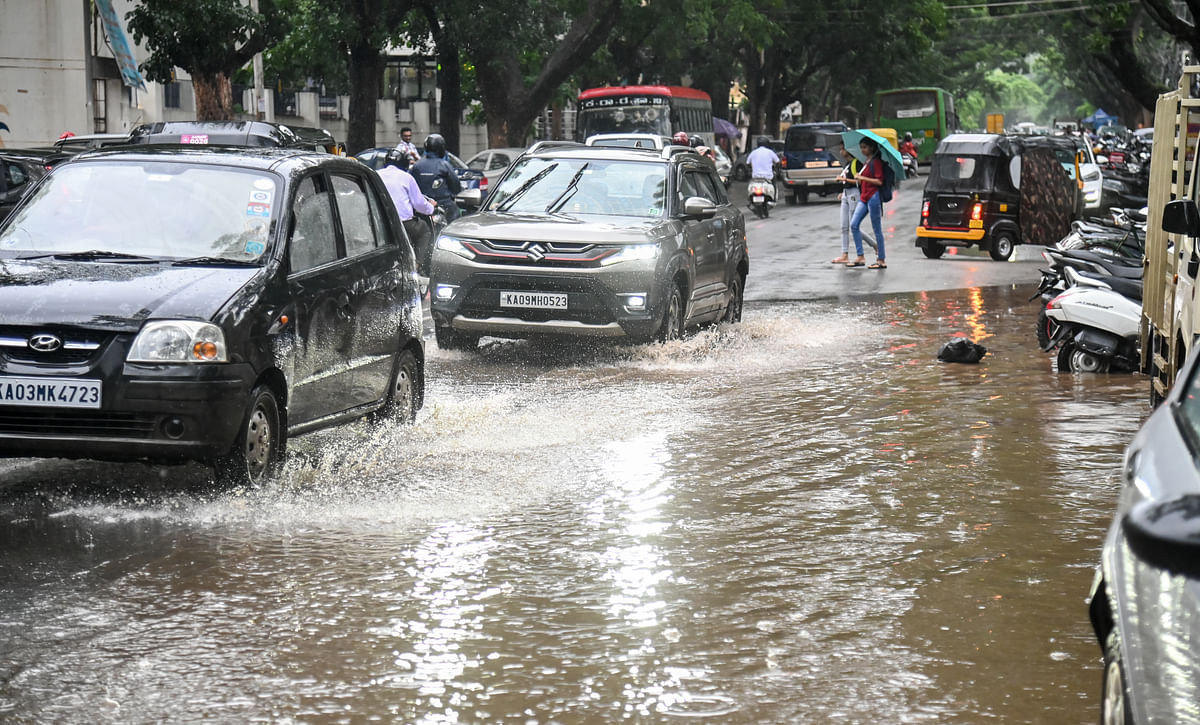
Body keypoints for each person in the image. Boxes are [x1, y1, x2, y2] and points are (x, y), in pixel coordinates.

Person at [378, 149, 437, 275]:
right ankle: (417, 264)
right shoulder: (406, 177)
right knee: (425, 231)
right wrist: (431, 208)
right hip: (404, 224)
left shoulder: (375, 174)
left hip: (379, 223)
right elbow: (419, 204)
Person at [847, 137, 887, 269]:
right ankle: (860, 256)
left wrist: (862, 177)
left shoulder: (875, 162)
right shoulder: (866, 162)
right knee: (854, 224)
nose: (862, 150)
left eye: (865, 147)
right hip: (864, 197)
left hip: (873, 197)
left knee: (877, 229)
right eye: (861, 147)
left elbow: (879, 181)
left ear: (871, 148)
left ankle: (881, 259)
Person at [411, 133, 462, 222]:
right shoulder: (445, 165)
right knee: (455, 222)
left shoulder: (416, 166)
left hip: (422, 206)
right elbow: (456, 187)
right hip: (443, 204)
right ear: (441, 148)